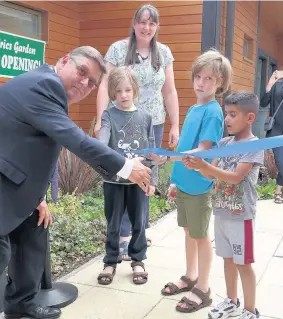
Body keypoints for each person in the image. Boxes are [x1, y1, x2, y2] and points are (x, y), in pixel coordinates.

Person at [0, 46, 151, 319]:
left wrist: (40, 198)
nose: (85, 84)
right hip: (3, 185)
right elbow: (77, 141)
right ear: (65, 60)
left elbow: (30, 149)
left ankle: (20, 304)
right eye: (82, 72)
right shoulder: (44, 85)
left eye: (92, 83)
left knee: (33, 236)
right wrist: (127, 167)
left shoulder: (47, 89)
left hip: (17, 182)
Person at [95, 4, 180, 260]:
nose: (147, 28)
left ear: (156, 27)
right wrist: (101, 120)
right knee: (121, 174)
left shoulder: (163, 53)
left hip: (150, 122)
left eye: (152, 23)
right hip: (119, 122)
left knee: (145, 177)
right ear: (134, 24)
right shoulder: (119, 49)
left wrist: (175, 124)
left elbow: (170, 90)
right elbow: (104, 85)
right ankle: (121, 235)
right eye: (142, 22)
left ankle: (138, 230)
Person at [160, 49, 232, 313]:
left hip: (201, 185)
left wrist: (168, 157)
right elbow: (186, 145)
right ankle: (190, 276)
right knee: (189, 232)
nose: (201, 83)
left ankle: (203, 287)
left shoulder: (213, 112)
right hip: (185, 184)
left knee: (201, 237)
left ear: (220, 83)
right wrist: (175, 180)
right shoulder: (193, 108)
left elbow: (202, 150)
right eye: (198, 77)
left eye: (209, 79)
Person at [184, 91, 264, 319]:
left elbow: (235, 176)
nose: (227, 119)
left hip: (242, 216)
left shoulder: (254, 144)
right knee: (228, 260)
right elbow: (212, 174)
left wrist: (205, 167)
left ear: (250, 118)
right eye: (226, 114)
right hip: (221, 212)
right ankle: (232, 301)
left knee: (243, 264)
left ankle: (250, 311)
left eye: (232, 114)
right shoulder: (224, 143)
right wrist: (196, 165)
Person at [97, 66, 157, 286]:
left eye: (128, 90)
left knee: (139, 223)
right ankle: (110, 261)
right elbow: (102, 144)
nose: (123, 95)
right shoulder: (108, 116)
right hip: (113, 181)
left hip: (139, 181)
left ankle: (138, 260)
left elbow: (152, 151)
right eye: (119, 91)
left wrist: (153, 180)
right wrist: (100, 146)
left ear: (135, 91)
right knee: (113, 223)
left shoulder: (146, 117)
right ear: (113, 93)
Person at [260, 70, 283, 204]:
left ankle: (278, 191)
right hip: (277, 130)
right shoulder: (277, 82)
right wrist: (269, 86)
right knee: (281, 163)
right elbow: (263, 103)